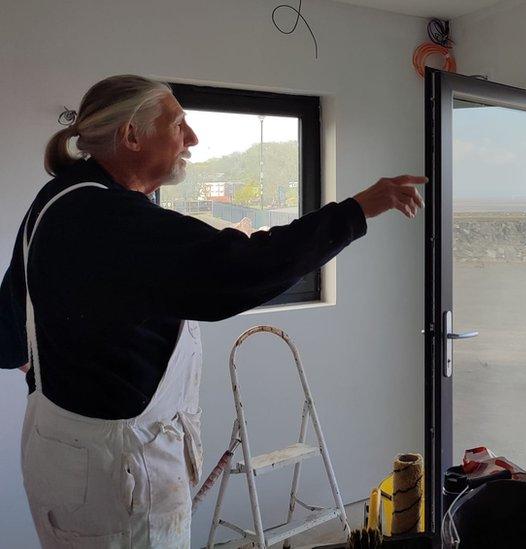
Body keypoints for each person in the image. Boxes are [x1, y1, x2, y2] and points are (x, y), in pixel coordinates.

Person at [0, 74, 426, 547]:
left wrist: (62, 377)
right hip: (114, 476)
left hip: (60, 448)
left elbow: (9, 316)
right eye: (178, 122)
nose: (193, 138)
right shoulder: (114, 220)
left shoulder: (59, 200)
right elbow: (243, 268)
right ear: (132, 136)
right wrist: (358, 210)